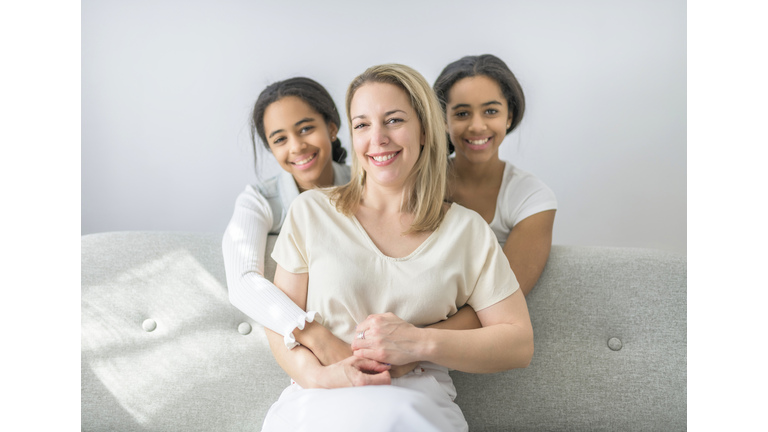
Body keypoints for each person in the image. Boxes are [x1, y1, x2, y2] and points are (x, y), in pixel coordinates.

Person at [260, 64, 533, 432]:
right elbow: (279, 319)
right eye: (362, 125)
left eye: (393, 120)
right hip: (316, 399)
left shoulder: (467, 231)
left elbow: (517, 342)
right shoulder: (311, 212)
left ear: (423, 129)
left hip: (416, 406)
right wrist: (320, 377)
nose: (378, 138)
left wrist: (420, 343)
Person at [222, 77, 480, 370]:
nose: (296, 146)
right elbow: (243, 280)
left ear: (332, 128)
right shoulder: (261, 201)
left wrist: (417, 344)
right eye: (280, 139)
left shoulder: (378, 176)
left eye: (306, 129)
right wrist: (314, 334)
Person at [434, 54, 558, 296]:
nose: (477, 126)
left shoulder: (532, 198)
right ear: (443, 120)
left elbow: (502, 298)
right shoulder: (414, 183)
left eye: (490, 111)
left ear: (509, 117)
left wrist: (420, 336)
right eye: (462, 113)